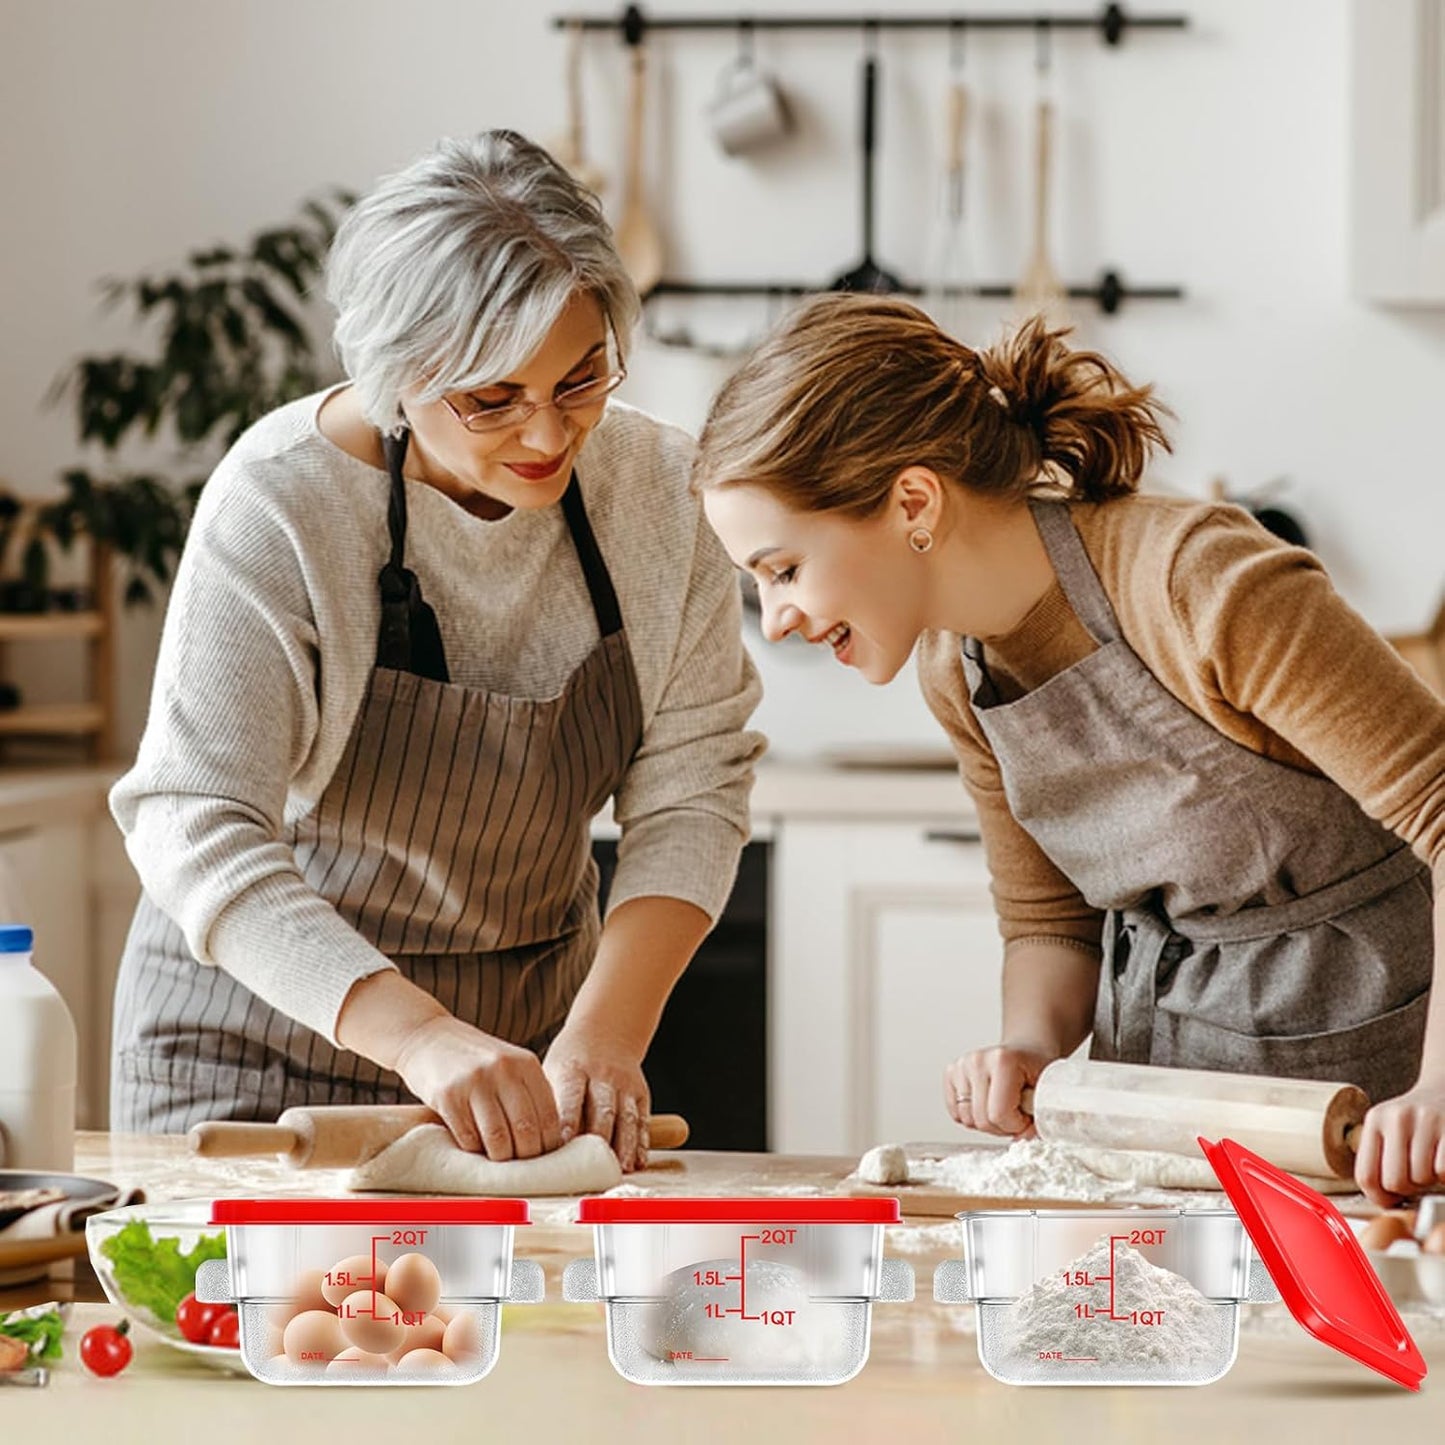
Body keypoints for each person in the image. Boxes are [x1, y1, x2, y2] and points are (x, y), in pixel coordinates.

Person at [693, 293, 1445, 1205]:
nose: (775, 619)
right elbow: (1047, 918)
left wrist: (1438, 1088)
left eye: (782, 570)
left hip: (1374, 1103)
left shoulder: (1197, 584)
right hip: (1156, 1106)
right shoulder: (954, 669)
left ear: (913, 501)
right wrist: (1029, 1045)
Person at [109, 131, 763, 1173]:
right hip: (254, 1053)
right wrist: (416, 1036)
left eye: (581, 379)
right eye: (490, 398)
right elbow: (198, 819)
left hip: (520, 1067)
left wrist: (605, 1032)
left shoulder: (657, 491)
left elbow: (693, 791)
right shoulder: (281, 500)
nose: (547, 435)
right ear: (393, 376)